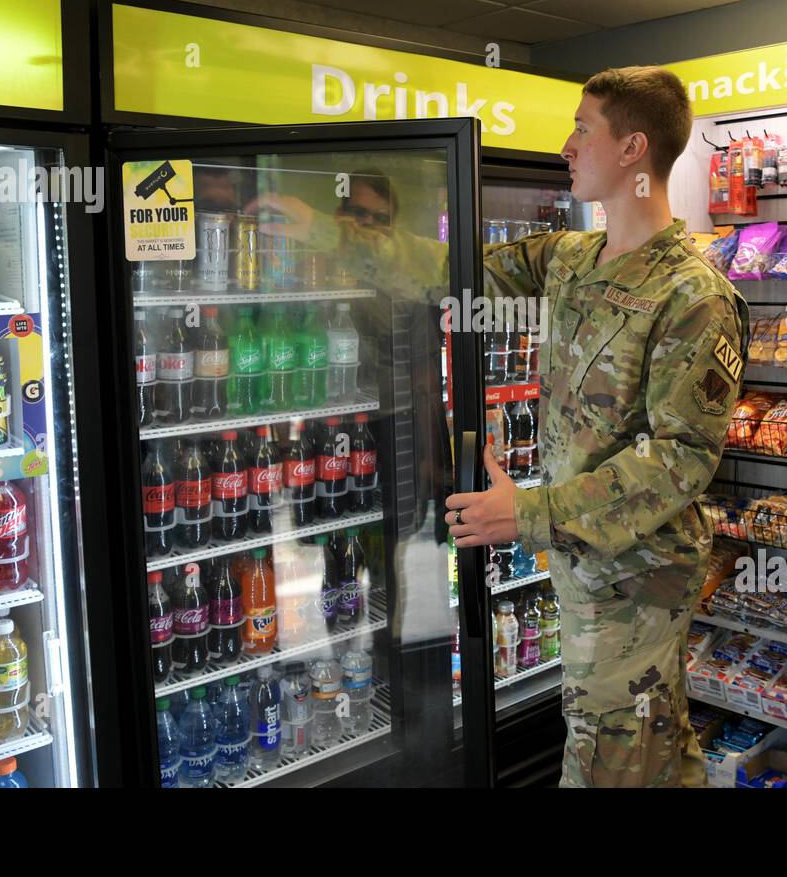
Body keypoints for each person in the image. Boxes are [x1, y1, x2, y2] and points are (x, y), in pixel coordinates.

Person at [254, 67, 748, 787]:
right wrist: (330, 231)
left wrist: (528, 510)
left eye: (584, 128)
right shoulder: (574, 259)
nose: (566, 146)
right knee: (651, 749)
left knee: (612, 759)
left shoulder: (695, 296)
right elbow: (454, 274)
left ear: (633, 148)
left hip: (638, 583)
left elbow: (678, 464)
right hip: (584, 567)